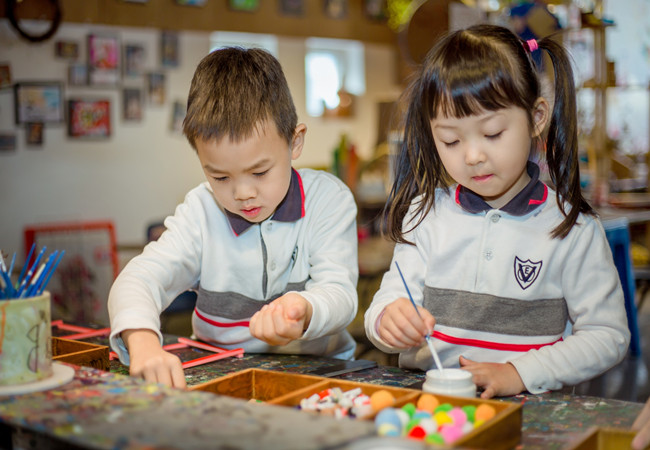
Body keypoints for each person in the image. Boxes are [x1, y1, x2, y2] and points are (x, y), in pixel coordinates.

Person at [364, 24, 630, 399]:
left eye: (492, 134)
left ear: (537, 116)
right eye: (451, 140)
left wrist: (519, 373)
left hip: (531, 416)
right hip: (431, 408)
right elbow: (388, 303)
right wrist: (387, 321)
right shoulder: (425, 216)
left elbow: (608, 335)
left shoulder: (572, 229)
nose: (473, 156)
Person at [108, 47, 359, 388]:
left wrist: (305, 307)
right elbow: (139, 279)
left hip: (320, 373)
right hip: (223, 372)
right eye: (221, 178)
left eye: (260, 172)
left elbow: (341, 294)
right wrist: (143, 344)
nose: (242, 193)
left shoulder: (327, 200)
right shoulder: (201, 212)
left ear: (294, 142)